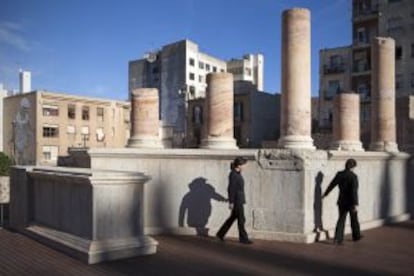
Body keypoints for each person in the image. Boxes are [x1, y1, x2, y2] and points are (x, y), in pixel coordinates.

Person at [322, 158, 362, 245]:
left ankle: (337, 238)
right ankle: (356, 236)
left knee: (341, 219)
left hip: (341, 201)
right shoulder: (353, 177)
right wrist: (355, 203)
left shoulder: (340, 174)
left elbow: (332, 184)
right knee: (354, 219)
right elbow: (354, 191)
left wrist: (325, 194)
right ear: (353, 167)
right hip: (351, 202)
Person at [216, 157, 252, 244]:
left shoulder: (237, 173)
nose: (244, 167)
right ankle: (243, 238)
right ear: (239, 165)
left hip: (239, 199)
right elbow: (231, 189)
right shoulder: (233, 175)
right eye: (243, 165)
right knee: (241, 219)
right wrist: (231, 202)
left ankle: (220, 234)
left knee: (232, 218)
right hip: (237, 200)